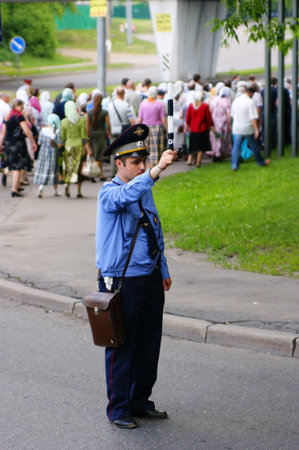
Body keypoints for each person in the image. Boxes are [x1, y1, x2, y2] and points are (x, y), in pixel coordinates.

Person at [96, 124, 176, 429]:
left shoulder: (143, 189)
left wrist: (163, 269)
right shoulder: (109, 192)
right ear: (119, 164)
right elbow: (124, 196)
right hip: (123, 282)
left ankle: (141, 401)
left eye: (144, 161)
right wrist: (154, 172)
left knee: (148, 343)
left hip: (151, 277)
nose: (142, 166)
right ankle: (118, 409)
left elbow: (155, 230)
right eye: (135, 162)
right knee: (122, 346)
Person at [0, 99, 37, 197]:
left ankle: (18, 185)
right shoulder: (19, 116)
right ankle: (14, 189)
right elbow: (27, 130)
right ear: (17, 106)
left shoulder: (7, 115)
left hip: (8, 143)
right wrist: (33, 142)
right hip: (18, 143)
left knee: (15, 165)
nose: (23, 108)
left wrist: (0, 144)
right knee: (18, 167)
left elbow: (3, 132)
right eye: (21, 106)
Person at [231, 86, 271, 171]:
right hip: (248, 128)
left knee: (236, 147)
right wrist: (256, 129)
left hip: (237, 127)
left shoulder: (236, 101)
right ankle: (261, 162)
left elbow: (232, 115)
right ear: (250, 93)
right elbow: (253, 118)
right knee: (254, 145)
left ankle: (234, 165)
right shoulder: (250, 102)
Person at [60, 100, 92, 198]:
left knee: (69, 168)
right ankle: (78, 191)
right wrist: (88, 149)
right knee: (79, 170)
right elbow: (84, 136)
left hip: (69, 146)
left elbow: (63, 137)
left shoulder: (63, 122)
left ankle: (67, 185)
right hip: (79, 147)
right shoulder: (81, 120)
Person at [137, 86, 167, 167]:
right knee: (156, 149)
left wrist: (136, 130)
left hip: (145, 129)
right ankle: (154, 168)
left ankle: (147, 167)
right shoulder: (159, 104)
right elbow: (163, 119)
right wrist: (167, 130)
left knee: (147, 148)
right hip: (157, 129)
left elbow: (139, 119)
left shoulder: (143, 104)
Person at [33, 114, 61, 198]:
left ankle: (41, 188)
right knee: (53, 170)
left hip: (43, 153)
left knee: (44, 170)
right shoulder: (57, 131)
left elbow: (39, 143)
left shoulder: (43, 130)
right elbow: (59, 144)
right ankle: (55, 190)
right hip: (53, 153)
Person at [185, 91, 214, 167]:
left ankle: (190, 159)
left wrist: (187, 126)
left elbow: (188, 118)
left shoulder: (191, 106)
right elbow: (208, 117)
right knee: (200, 147)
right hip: (202, 129)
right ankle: (198, 162)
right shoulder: (204, 106)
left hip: (193, 129)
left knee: (192, 146)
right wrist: (211, 125)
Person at [86, 92, 111, 181]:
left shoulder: (89, 112)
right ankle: (94, 174)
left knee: (96, 156)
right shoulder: (104, 112)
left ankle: (100, 174)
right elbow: (108, 124)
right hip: (101, 135)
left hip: (92, 135)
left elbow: (87, 126)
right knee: (98, 156)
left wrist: (87, 137)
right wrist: (109, 132)